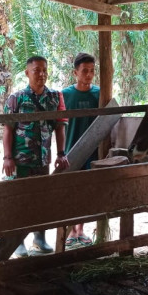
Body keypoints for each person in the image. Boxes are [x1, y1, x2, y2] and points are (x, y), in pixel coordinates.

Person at [3, 56, 69, 257]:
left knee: (41, 198)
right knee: (19, 199)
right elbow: (8, 130)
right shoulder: (16, 98)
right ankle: (18, 242)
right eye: (36, 70)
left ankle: (39, 239)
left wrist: (61, 153)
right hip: (21, 161)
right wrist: (7, 157)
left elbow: (60, 128)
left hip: (43, 160)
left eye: (44, 70)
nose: (41, 74)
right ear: (27, 73)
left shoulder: (55, 97)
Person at [61, 52, 100, 248]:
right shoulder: (65, 95)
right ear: (75, 72)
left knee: (86, 192)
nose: (89, 75)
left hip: (92, 152)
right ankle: (70, 232)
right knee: (70, 192)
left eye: (92, 71)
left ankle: (81, 230)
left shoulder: (99, 94)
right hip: (70, 152)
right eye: (85, 71)